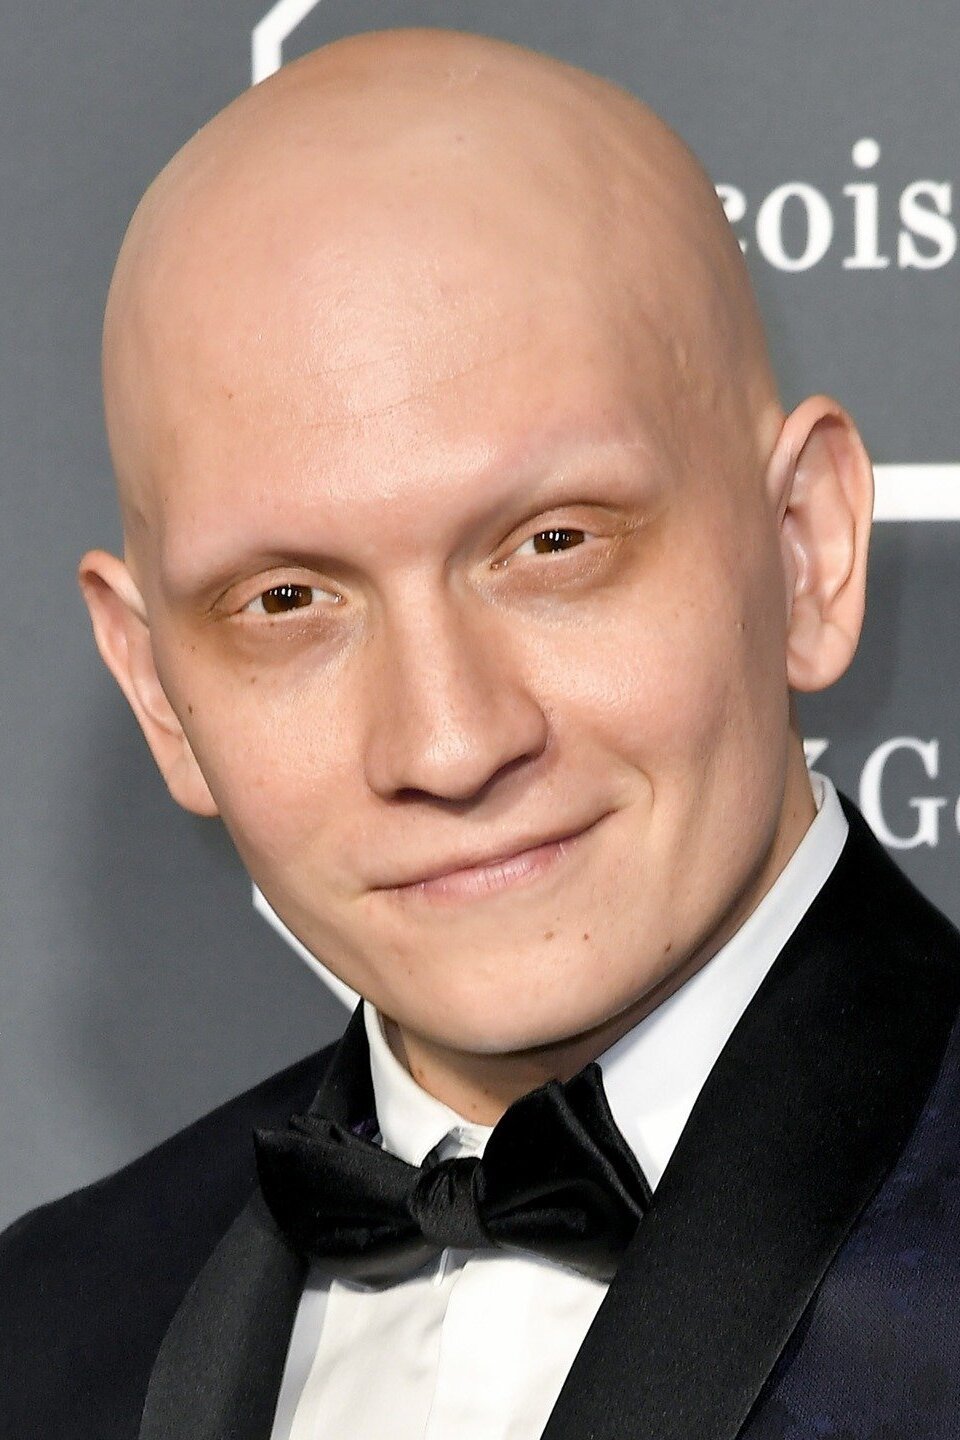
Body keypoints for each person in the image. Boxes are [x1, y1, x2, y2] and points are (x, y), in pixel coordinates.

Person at [2, 25, 959, 1440]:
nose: (449, 745)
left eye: (555, 543)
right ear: (159, 691)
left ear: (804, 547)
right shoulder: (40, 1333)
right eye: (287, 601)